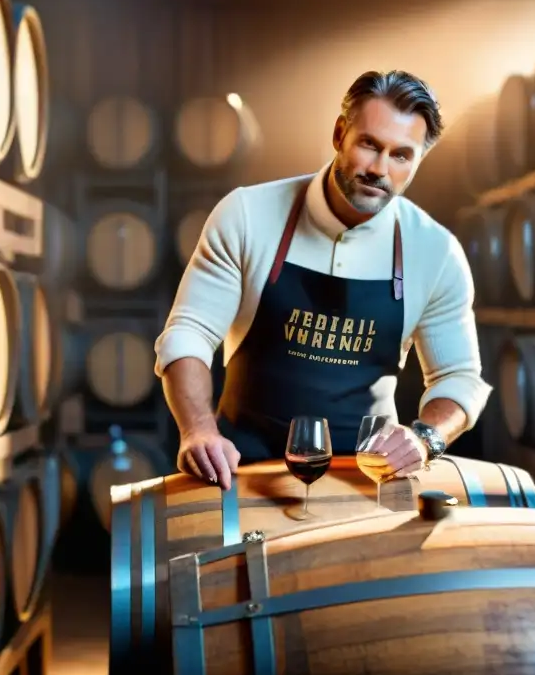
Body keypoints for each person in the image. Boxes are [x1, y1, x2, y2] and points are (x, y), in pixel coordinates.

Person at [155, 70, 492, 490]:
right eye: (370, 145)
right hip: (241, 471)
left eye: (401, 155)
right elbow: (188, 334)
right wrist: (198, 430)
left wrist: (424, 438)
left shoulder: (436, 252)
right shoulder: (247, 214)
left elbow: (459, 377)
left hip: (368, 481)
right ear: (339, 133)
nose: (379, 169)